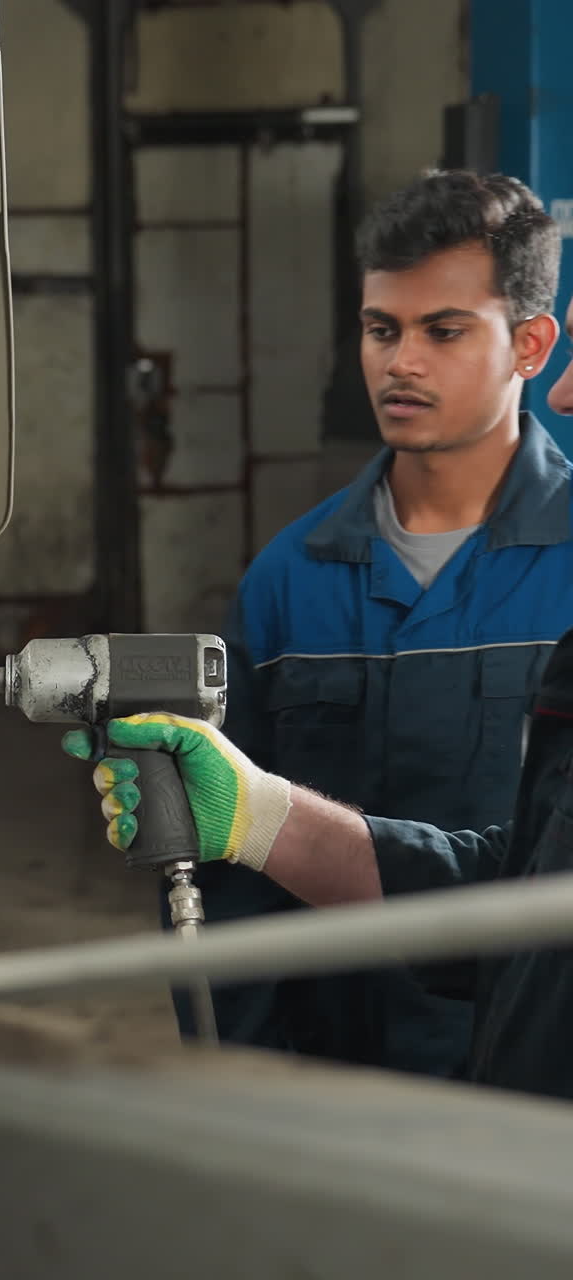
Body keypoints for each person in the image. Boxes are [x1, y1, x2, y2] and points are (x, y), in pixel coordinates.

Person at [148, 169, 573, 1079]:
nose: (400, 362)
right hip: (336, 1075)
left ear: (530, 345)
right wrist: (241, 1081)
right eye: (383, 330)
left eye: (443, 331)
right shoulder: (288, 580)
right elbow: (222, 874)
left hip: (526, 1082)